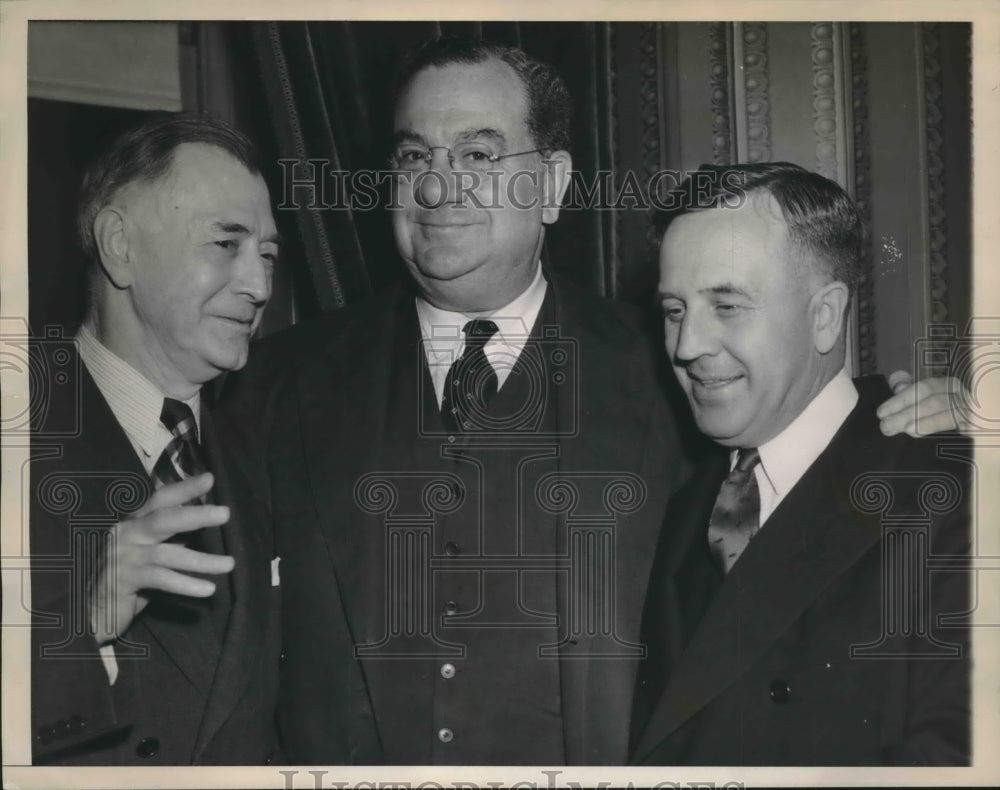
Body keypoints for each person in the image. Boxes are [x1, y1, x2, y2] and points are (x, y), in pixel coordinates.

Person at [220, 37, 959, 766]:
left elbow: (802, 422)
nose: (438, 189)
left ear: (552, 185)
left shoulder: (677, 375)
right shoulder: (276, 383)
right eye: (415, 157)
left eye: (478, 155)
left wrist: (927, 414)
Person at [629, 163, 971, 766]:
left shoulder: (952, 489)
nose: (686, 346)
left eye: (726, 305)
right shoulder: (679, 504)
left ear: (824, 316)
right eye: (675, 310)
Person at [30, 113, 283, 765]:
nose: (258, 287)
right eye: (225, 243)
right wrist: (86, 626)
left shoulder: (278, 443)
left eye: (268, 256)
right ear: (120, 246)